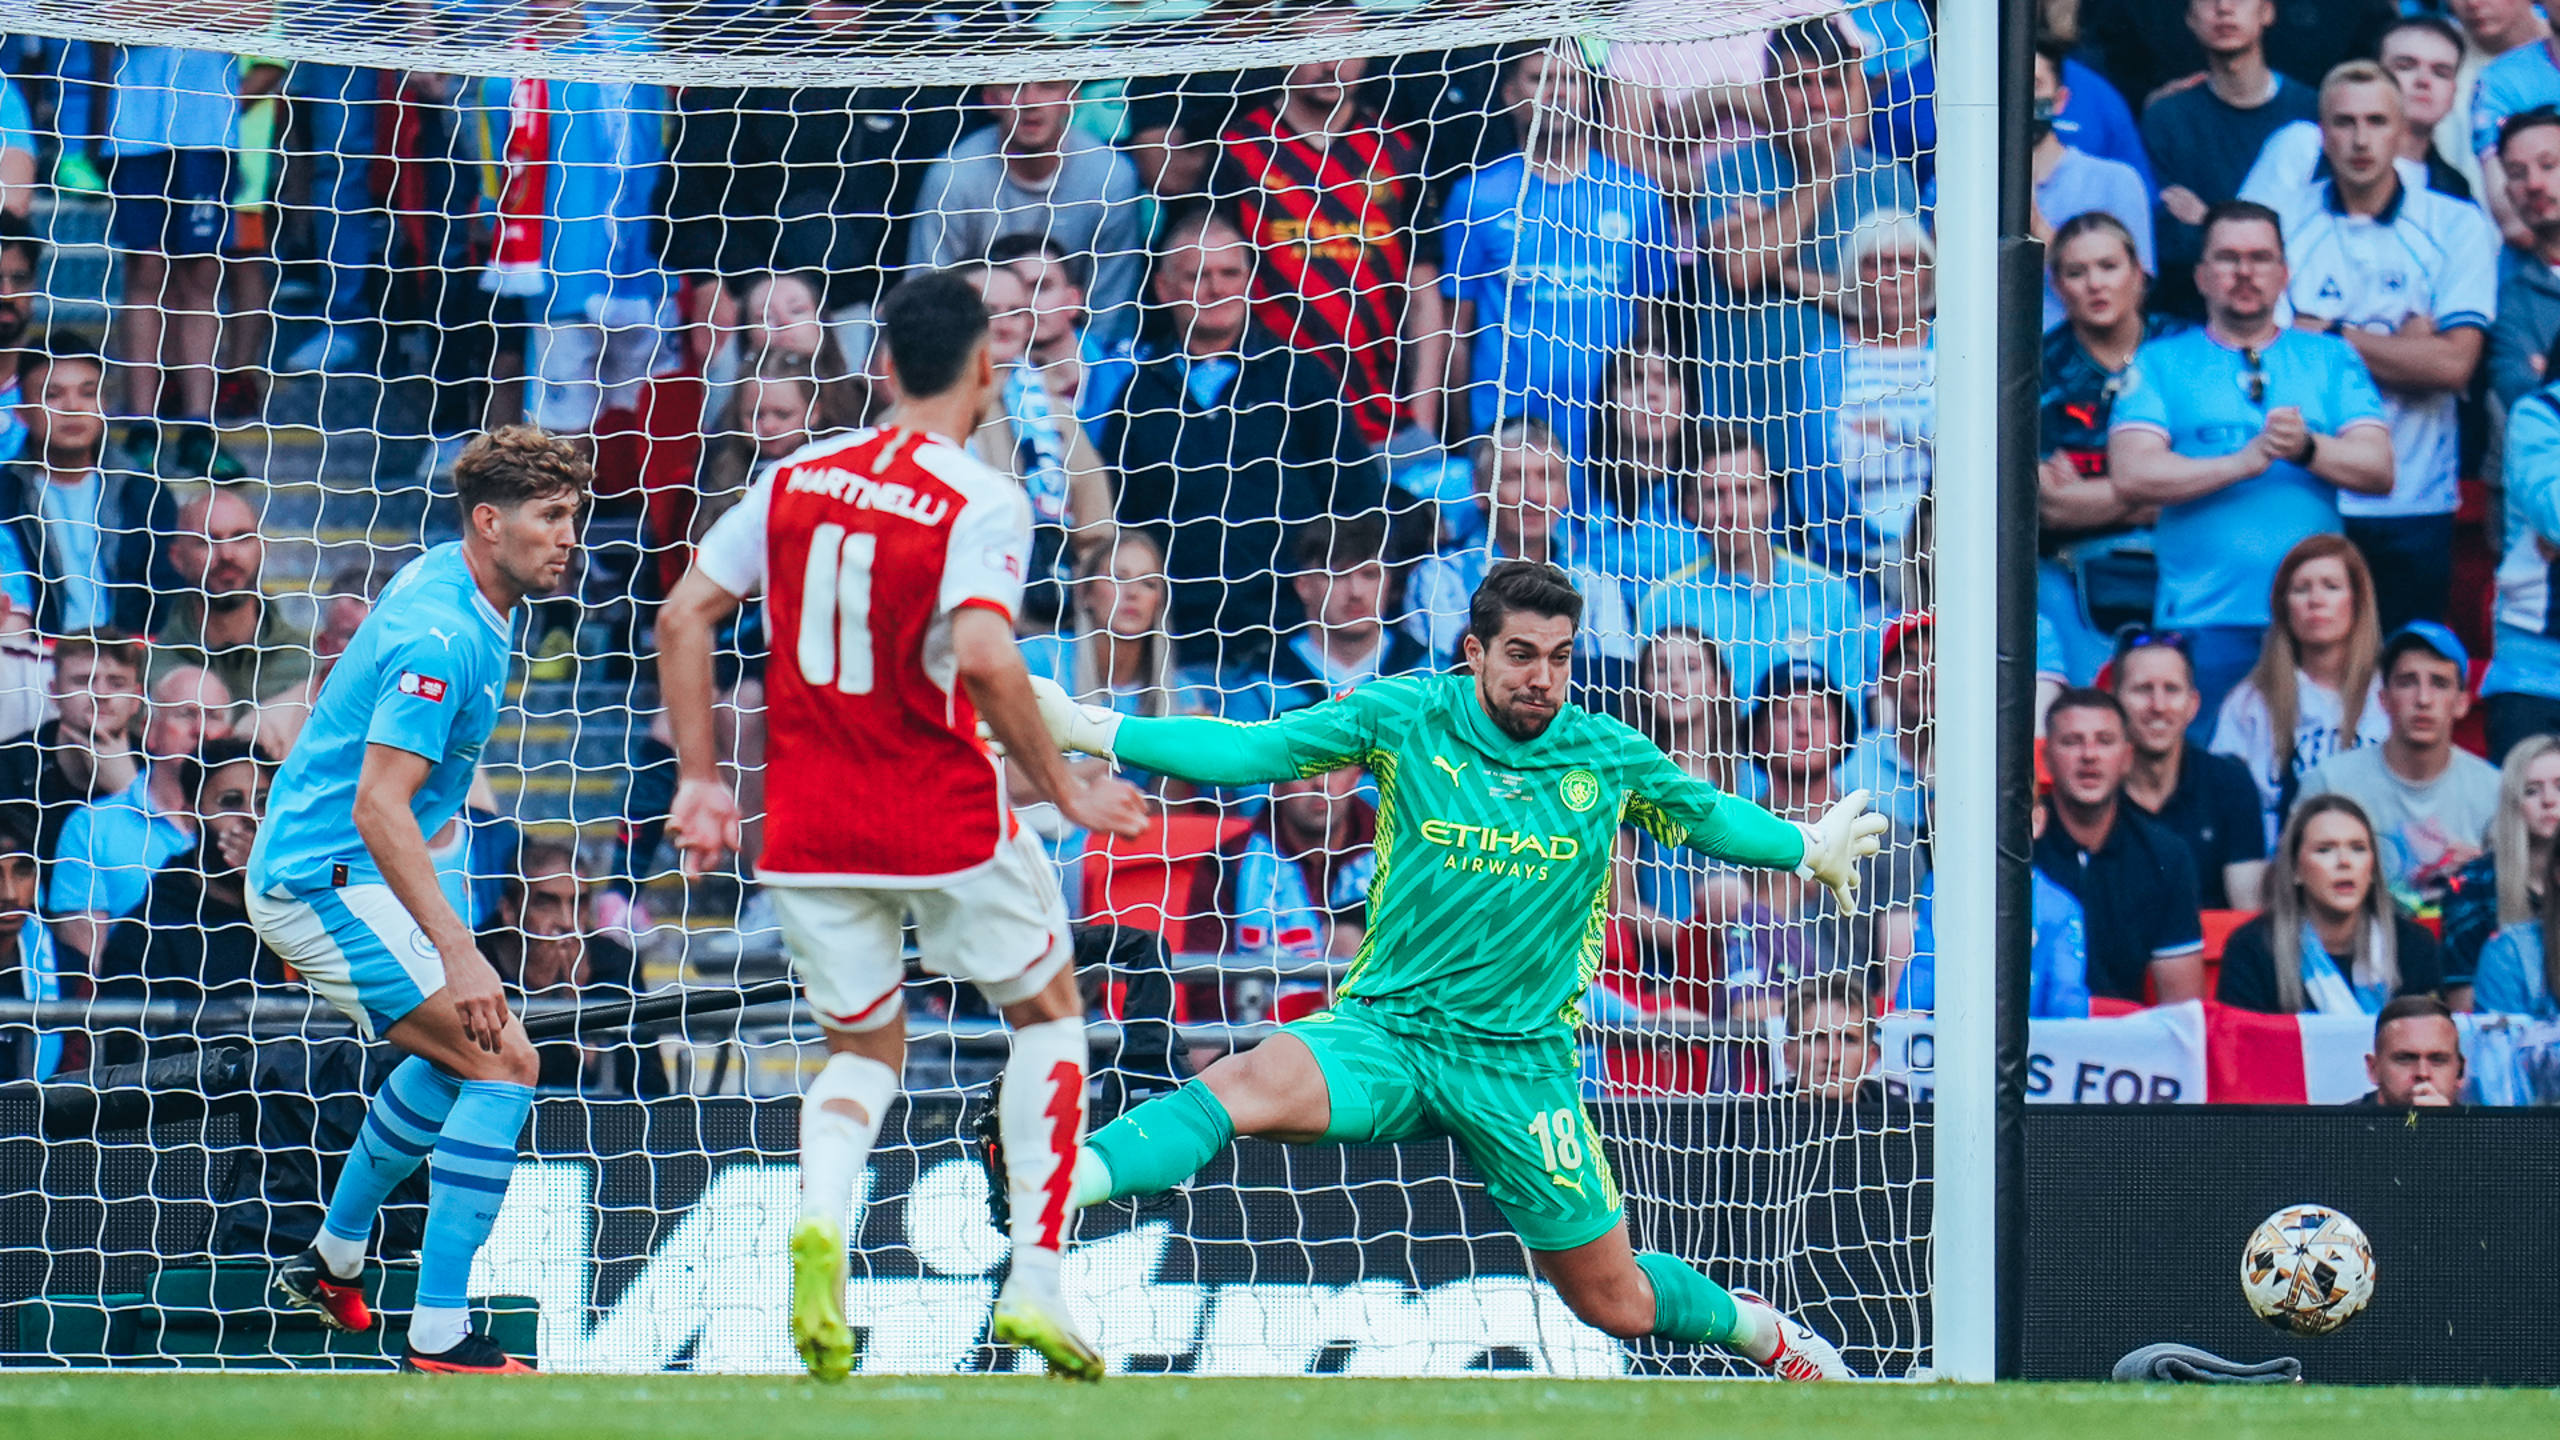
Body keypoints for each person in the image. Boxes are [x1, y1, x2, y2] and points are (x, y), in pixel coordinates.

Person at [1000, 558, 1886, 1380]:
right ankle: (1068, 1179)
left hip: (1521, 1067)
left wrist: (1806, 848)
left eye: (1560, 658)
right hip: (1390, 1030)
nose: (1542, 678)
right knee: (1246, 1077)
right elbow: (1248, 751)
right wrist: (1088, 726)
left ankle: (1763, 1331)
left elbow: (1710, 819)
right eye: (1521, 655)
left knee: (1616, 1304)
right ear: (1475, 652)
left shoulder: (1605, 752)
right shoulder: (1405, 715)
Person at [657, 271, 1150, 1383]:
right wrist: (1066, 792)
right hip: (938, 811)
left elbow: (683, 612)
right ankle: (1036, 1279)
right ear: (986, 370)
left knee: (862, 1048)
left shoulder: (793, 478)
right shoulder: (979, 497)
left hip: (812, 824)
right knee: (1048, 1017)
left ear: (881, 367)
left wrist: (700, 778)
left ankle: (821, 1212)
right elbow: (982, 654)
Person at [249, 426, 590, 1373]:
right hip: (322, 881)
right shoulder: (440, 634)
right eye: (550, 516)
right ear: (489, 522)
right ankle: (440, 1332)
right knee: (505, 1062)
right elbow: (379, 805)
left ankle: (333, 1258)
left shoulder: (468, 584)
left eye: (574, 515)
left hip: (346, 872)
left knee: (459, 1060)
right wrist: (463, 949)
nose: (569, 536)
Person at [2108, 202, 2394, 726]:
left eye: (2261, 258)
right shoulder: (2159, 362)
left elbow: (2379, 468)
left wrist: (2308, 448)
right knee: (2209, 786)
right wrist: (2243, 461)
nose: (2245, 272)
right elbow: (2132, 475)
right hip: (2201, 622)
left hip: (2316, 626)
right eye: (2228, 258)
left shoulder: (2331, 358)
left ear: (2285, 274)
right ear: (2200, 276)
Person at [2256, 62, 2497, 631]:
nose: (2360, 140)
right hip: (2307, 498)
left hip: (2415, 501)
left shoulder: (2456, 224)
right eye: (2344, 122)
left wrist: (2332, 335)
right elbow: (2276, 364)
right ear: (2322, 130)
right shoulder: (2282, 225)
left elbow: (2453, 365)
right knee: (2307, 685)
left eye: (2376, 122)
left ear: (2401, 129)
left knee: (2402, 685)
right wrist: (2402, 349)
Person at [1106, 211, 1398, 669]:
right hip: (1180, 645)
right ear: (1163, 290)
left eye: (1230, 273)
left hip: (1294, 646)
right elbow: (1123, 518)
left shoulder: (1302, 379)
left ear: (1250, 281)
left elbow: (1355, 502)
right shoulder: (1138, 395)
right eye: (1198, 275)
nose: (1216, 289)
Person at [1212, 5, 1447, 447]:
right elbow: (1215, 285)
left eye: (1346, 48)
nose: (1331, 64)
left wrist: (1424, 420)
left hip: (1382, 418)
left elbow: (1425, 296)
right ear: (1282, 52)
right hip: (1267, 413)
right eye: (1315, 47)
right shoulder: (1240, 150)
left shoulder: (1398, 152)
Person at [1443, 43, 1674, 453]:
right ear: (1509, 94)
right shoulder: (1476, 197)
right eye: (1541, 79)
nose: (1558, 92)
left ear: (1589, 93)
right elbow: (1456, 333)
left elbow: (1649, 324)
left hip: (1608, 432)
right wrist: (1465, 441)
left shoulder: (1639, 196)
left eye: (1570, 80)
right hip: (1508, 429)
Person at [2038, 212, 2175, 684]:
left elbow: (2215, 483)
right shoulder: (2036, 367)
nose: (2094, 284)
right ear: (2057, 284)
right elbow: (2050, 506)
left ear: (2139, 275)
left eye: (2108, 266)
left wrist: (2098, 495)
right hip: (2071, 569)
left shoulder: (2184, 350)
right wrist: (2159, 489)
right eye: (2076, 272)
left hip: (2184, 559)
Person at [906, 81, 1147, 344]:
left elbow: (1110, 310)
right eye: (1014, 86)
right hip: (975, 345)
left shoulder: (1110, 177)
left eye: (1048, 86)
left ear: (1072, 96)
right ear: (990, 97)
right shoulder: (952, 176)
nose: (1030, 101)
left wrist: (1084, 374)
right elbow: (927, 293)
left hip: (1074, 354)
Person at [1637, 426, 1866, 697]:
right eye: (1714, 495)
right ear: (1691, 508)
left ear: (1772, 497)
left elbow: (1851, 720)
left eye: (1746, 491)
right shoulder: (1665, 603)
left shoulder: (1830, 595)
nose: (1731, 511)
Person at [2138, 0, 2320, 317]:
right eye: (2208, 1)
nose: (2223, 8)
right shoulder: (2167, 119)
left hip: (2300, 317)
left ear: (2267, 11)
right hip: (2192, 317)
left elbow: (2322, 233)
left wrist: (2208, 221)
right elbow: (2169, 243)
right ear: (2190, 19)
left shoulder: (2311, 113)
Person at [2296, 622, 2499, 906]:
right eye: (2407, 682)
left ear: (2462, 703)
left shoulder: (2494, 792)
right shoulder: (2330, 784)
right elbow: (2287, 883)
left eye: (2439, 684)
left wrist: (2484, 872)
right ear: (2384, 700)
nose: (2423, 699)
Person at [1406, 418, 1635, 667]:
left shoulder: (1595, 586)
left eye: (1546, 477)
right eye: (1514, 477)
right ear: (1479, 488)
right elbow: (1452, 675)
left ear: (1565, 492)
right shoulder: (1440, 577)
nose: (1533, 496)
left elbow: (1613, 675)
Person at [47, 660, 231, 968]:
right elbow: (86, 971)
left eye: (213, 717)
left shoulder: (253, 828)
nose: (202, 731)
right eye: (186, 714)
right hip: (133, 1006)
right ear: (149, 730)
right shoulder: (92, 827)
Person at [2034, 687, 2209, 1005]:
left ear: (2127, 758)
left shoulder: (2166, 855)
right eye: (2072, 741)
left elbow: (2182, 1010)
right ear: (2046, 757)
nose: (2089, 755)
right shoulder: (2015, 847)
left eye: (2105, 741)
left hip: (2122, 1044)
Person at [2210, 534, 2390, 834]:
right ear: (2283, 606)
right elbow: (2222, 803)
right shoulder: (2248, 702)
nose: (2316, 601)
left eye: (2331, 587)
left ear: (2357, 601)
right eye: (2301, 589)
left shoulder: (2388, 696)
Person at [0, 343, 180, 636]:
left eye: (87, 393)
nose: (73, 407)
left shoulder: (143, 492)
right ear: (21, 412)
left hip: (131, 658)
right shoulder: (6, 494)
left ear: (104, 405)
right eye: (53, 395)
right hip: (34, 658)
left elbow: (166, 590)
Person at [2217, 793, 2448, 1014]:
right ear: (2295, 869)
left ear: (2372, 868)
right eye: (2325, 849)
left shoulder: (2415, 946)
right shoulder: (2251, 950)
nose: (2344, 862)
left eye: (2358, 848)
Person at [93, 736, 277, 1011]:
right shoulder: (146, 936)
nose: (251, 817)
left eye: (263, 802)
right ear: (190, 817)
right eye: (230, 801)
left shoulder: (300, 908)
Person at [478, 837, 666, 1097]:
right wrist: (537, 997)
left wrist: (575, 1001)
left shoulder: (614, 963)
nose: (567, 921)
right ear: (509, 911)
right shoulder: (475, 961)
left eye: (578, 903)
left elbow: (648, 1088)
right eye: (546, 903)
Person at [2238, 17, 2477, 207]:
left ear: (2454, 91)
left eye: (2441, 72)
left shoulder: (2455, 188)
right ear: (2375, 73)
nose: (2424, 80)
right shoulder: (2307, 145)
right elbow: (2243, 238)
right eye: (2405, 66)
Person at [2111, 631, 2268, 910]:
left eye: (2171, 689)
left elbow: (2248, 914)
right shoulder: (2095, 786)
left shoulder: (2230, 785)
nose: (2158, 706)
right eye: (2143, 689)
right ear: (2114, 702)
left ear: (2193, 705)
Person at [1241, 516, 1432, 720]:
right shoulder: (1261, 684)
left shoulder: (1428, 672)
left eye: (1369, 575)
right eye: (1338, 576)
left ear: (1389, 582)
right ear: (1303, 586)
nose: (1356, 592)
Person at [2031, 40, 2155, 332]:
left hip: (2085, 358)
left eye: (2034, 85)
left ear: (2060, 99)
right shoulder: (1956, 186)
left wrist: (2038, 227)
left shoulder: (2116, 180)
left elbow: (2139, 288)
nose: (2020, 98)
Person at [154, 485, 315, 705]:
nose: (227, 554)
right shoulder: (150, 667)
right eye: (207, 541)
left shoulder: (308, 662)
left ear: (263, 547)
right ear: (177, 557)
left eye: (241, 538)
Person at [2438, 735, 2560, 987]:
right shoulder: (2473, 885)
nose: (2549, 800)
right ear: (2513, 802)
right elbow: (2464, 1000)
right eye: (2531, 790)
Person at [1224, 766, 1375, 965]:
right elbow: (1204, 987)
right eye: (1305, 767)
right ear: (1276, 779)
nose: (1320, 783)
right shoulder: (1229, 862)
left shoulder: (1400, 856)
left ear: (1356, 776)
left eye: (1336, 767)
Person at [1837, 611, 1935, 836]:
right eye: (1909, 659)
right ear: (1884, 680)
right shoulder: (1855, 764)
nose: (1923, 673)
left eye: (1936, 660)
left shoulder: (1976, 761)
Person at [2488, 109, 2560, 409]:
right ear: (2508, 192)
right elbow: (2530, 408)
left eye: (2548, 165)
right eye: (2518, 173)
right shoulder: (2509, 303)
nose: (2533, 184)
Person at [1779, 974, 1881, 1103]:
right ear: (1787, 1055)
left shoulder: (1901, 1120)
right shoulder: (1757, 1119)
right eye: (1816, 1039)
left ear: (1870, 1058)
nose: (1833, 1056)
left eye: (1848, 1040)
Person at [2351, 993, 2467, 1104]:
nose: (2423, 1073)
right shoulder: (2340, 1123)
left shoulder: (2481, 1124)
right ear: (2373, 1069)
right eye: (2405, 1059)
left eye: (2438, 1060)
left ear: (2460, 1072)